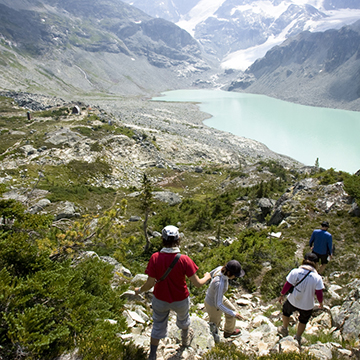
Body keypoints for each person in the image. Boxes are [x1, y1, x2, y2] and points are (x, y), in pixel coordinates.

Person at [134, 225, 211, 360]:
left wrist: (139, 290)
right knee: (184, 319)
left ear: (162, 240)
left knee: (158, 325)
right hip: (180, 299)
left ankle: (152, 354)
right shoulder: (184, 259)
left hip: (160, 299)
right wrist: (207, 277)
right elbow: (198, 284)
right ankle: (185, 342)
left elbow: (150, 283)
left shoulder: (155, 258)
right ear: (178, 239)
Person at [278, 252, 324, 345]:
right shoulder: (317, 278)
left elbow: (288, 285)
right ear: (316, 264)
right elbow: (319, 293)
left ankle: (284, 329)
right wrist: (321, 303)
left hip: (293, 300)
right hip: (307, 304)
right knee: (303, 320)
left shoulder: (295, 271)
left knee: (286, 312)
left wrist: (282, 294)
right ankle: (298, 337)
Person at [204, 260, 245, 338]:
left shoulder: (220, 269)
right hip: (213, 304)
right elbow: (218, 304)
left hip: (217, 297)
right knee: (215, 325)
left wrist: (233, 313)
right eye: (235, 275)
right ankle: (212, 341)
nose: (235, 277)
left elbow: (210, 274)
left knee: (232, 310)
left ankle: (228, 331)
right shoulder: (220, 283)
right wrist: (234, 314)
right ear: (229, 273)